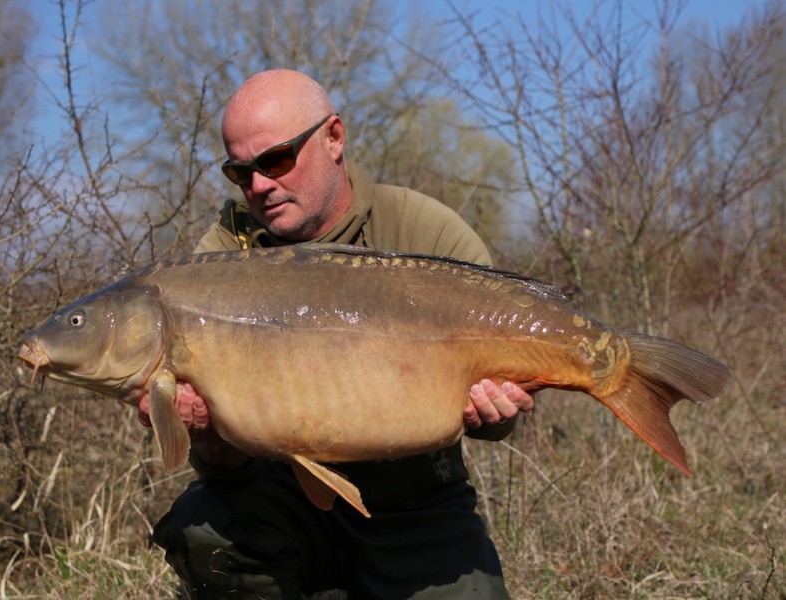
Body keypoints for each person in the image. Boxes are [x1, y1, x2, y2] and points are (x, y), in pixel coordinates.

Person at [138, 69, 534, 600]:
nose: (259, 185)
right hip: (279, 490)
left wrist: (495, 415)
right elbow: (224, 473)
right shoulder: (219, 261)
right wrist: (205, 433)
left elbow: (496, 418)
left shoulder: (424, 232)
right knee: (204, 525)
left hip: (415, 497)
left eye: (276, 160)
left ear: (333, 137)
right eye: (240, 172)